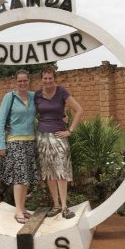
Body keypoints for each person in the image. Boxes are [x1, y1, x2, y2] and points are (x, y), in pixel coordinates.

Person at [34, 64, 83, 219]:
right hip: (42, 136)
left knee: (61, 171)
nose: (48, 81)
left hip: (59, 135)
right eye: (45, 78)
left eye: (50, 78)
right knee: (49, 173)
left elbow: (79, 110)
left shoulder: (62, 91)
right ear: (41, 79)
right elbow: (29, 112)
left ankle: (64, 207)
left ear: (54, 78)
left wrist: (70, 130)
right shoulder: (36, 95)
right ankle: (55, 205)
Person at [0, 69, 39, 224]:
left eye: (25, 80)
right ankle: (18, 211)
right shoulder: (10, 97)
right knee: (19, 177)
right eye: (19, 81)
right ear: (16, 82)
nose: (22, 83)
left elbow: (46, 109)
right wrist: (1, 143)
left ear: (29, 81)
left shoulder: (34, 96)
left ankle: (23, 208)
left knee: (26, 176)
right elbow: (1, 121)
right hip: (15, 142)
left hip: (30, 141)